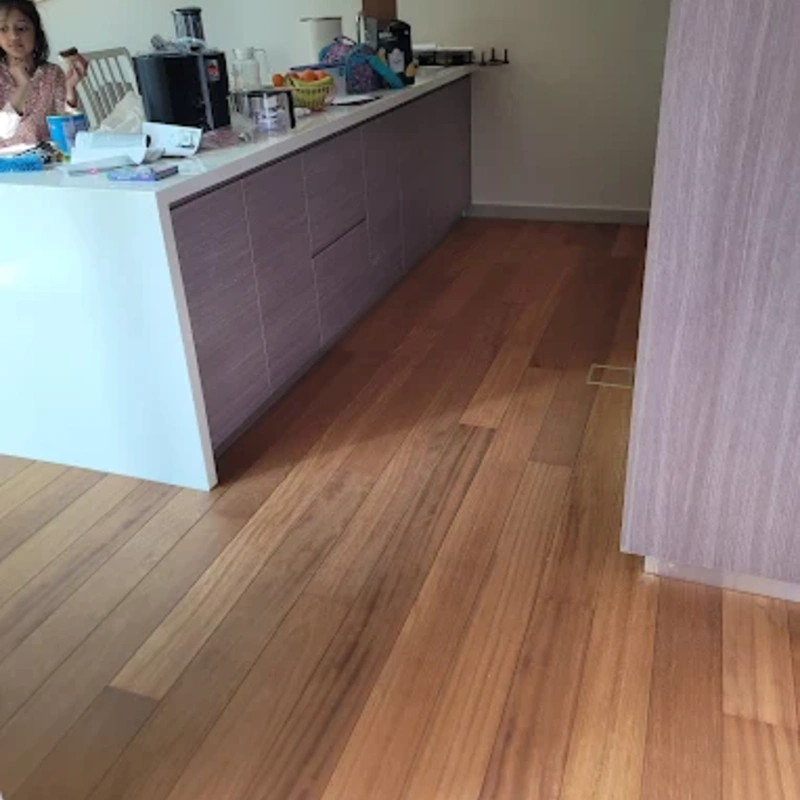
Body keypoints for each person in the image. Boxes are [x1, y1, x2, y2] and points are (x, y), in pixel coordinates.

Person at [0, 0, 86, 146]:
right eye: (3, 29)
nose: (13, 36)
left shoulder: (52, 73)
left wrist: (70, 88)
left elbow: (69, 130)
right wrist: (23, 87)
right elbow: (3, 131)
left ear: (36, 32)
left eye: (21, 28)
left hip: (47, 156)